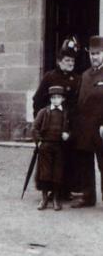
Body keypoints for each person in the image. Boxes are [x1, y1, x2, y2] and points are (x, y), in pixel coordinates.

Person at [32, 38, 81, 199]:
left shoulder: (77, 79)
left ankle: (64, 190)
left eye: (72, 60)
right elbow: (37, 100)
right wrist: (39, 124)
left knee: (67, 159)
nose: (70, 63)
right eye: (67, 60)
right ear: (59, 61)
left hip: (68, 127)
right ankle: (47, 190)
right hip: (50, 127)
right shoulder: (49, 77)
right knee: (48, 161)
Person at [70, 35, 103, 208]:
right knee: (85, 163)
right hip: (85, 127)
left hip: (101, 128)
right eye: (91, 54)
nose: (94, 57)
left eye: (97, 53)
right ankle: (88, 196)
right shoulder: (85, 74)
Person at [33, 85, 71, 211]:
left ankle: (55, 199)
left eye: (58, 97)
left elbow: (72, 129)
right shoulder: (44, 112)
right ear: (50, 99)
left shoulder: (65, 113)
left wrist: (68, 134)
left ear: (63, 99)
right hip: (46, 145)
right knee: (45, 172)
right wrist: (38, 141)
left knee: (57, 172)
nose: (55, 100)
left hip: (59, 146)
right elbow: (35, 128)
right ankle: (44, 198)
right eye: (53, 98)